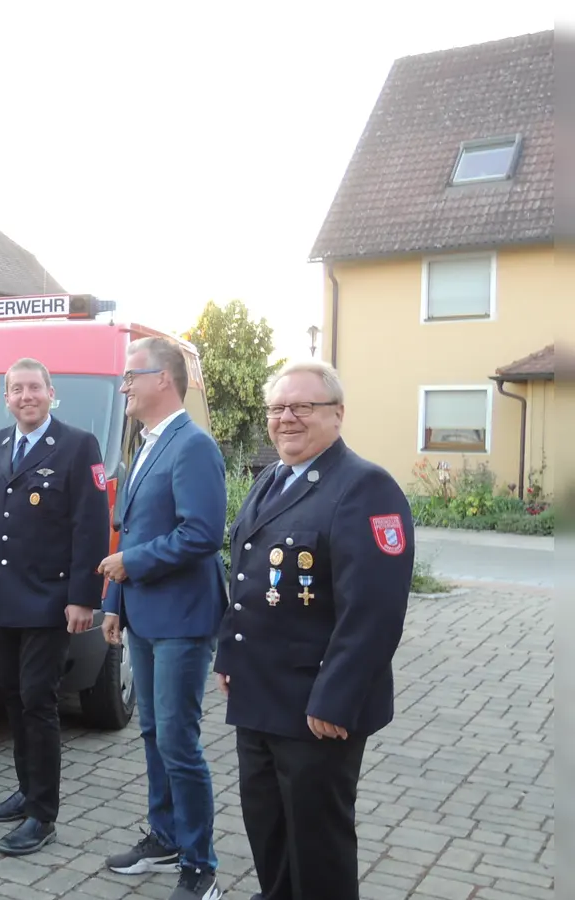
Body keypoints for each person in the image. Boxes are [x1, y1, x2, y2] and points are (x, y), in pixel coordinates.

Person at [215, 359, 413, 900]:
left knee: (317, 844)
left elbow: (373, 612)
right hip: (258, 695)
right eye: (278, 408)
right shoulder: (270, 479)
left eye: (303, 406)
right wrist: (228, 658)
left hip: (315, 708)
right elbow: (248, 575)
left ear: (337, 414)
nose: (287, 418)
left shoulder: (365, 488)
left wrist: (336, 699)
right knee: (267, 828)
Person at [0, 357, 110, 856]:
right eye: (16, 389)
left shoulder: (77, 445)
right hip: (1, 598)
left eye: (33, 388)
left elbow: (90, 525)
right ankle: (25, 790)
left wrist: (83, 597)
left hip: (49, 601)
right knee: (12, 698)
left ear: (51, 393)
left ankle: (43, 813)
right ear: (6, 398)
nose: (25, 396)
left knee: (38, 702)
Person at [96, 338, 228, 900]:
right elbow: (132, 529)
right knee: (153, 733)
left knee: (179, 740)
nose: (123, 385)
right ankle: (165, 836)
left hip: (182, 618)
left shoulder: (192, 445)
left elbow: (202, 534)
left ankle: (200, 865)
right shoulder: (144, 445)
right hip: (145, 614)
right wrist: (113, 605)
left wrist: (130, 567)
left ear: (163, 380)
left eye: (131, 376)